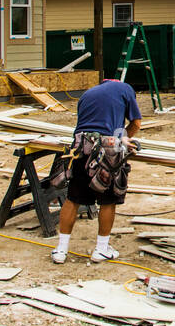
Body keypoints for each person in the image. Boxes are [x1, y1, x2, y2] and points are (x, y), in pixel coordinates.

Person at [51, 78, 142, 264]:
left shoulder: (87, 94)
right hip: (106, 149)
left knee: (73, 198)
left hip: (80, 146)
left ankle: (61, 250)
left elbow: (88, 124)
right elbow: (136, 123)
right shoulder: (126, 89)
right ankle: (101, 249)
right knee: (108, 200)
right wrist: (123, 138)